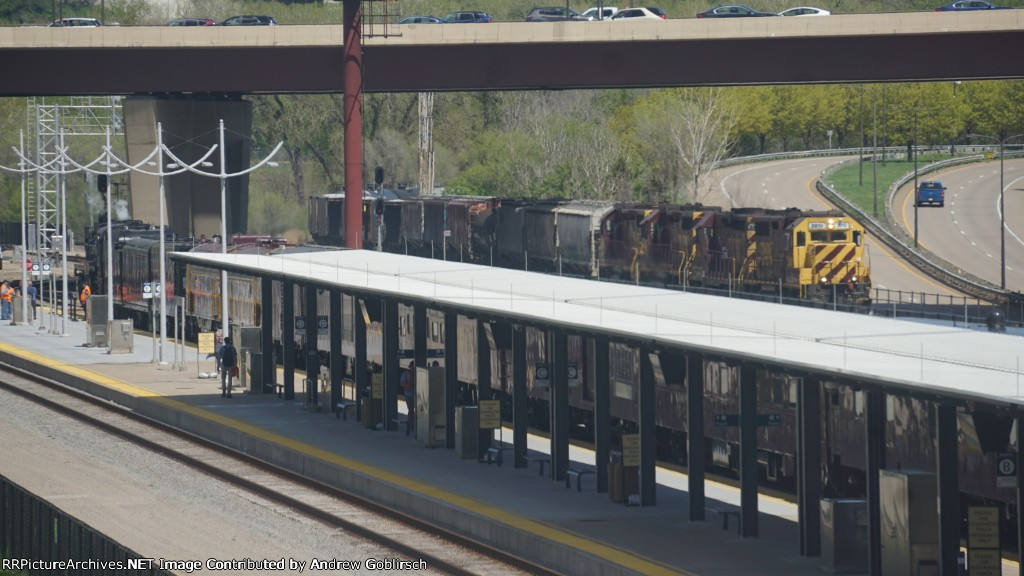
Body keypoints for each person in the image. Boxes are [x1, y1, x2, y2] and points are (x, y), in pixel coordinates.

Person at [400, 361, 415, 432]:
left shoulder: (419, 373)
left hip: (416, 394)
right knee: (411, 409)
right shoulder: (406, 374)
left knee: (413, 410)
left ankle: (412, 423)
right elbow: (402, 383)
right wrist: (410, 384)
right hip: (409, 394)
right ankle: (411, 424)